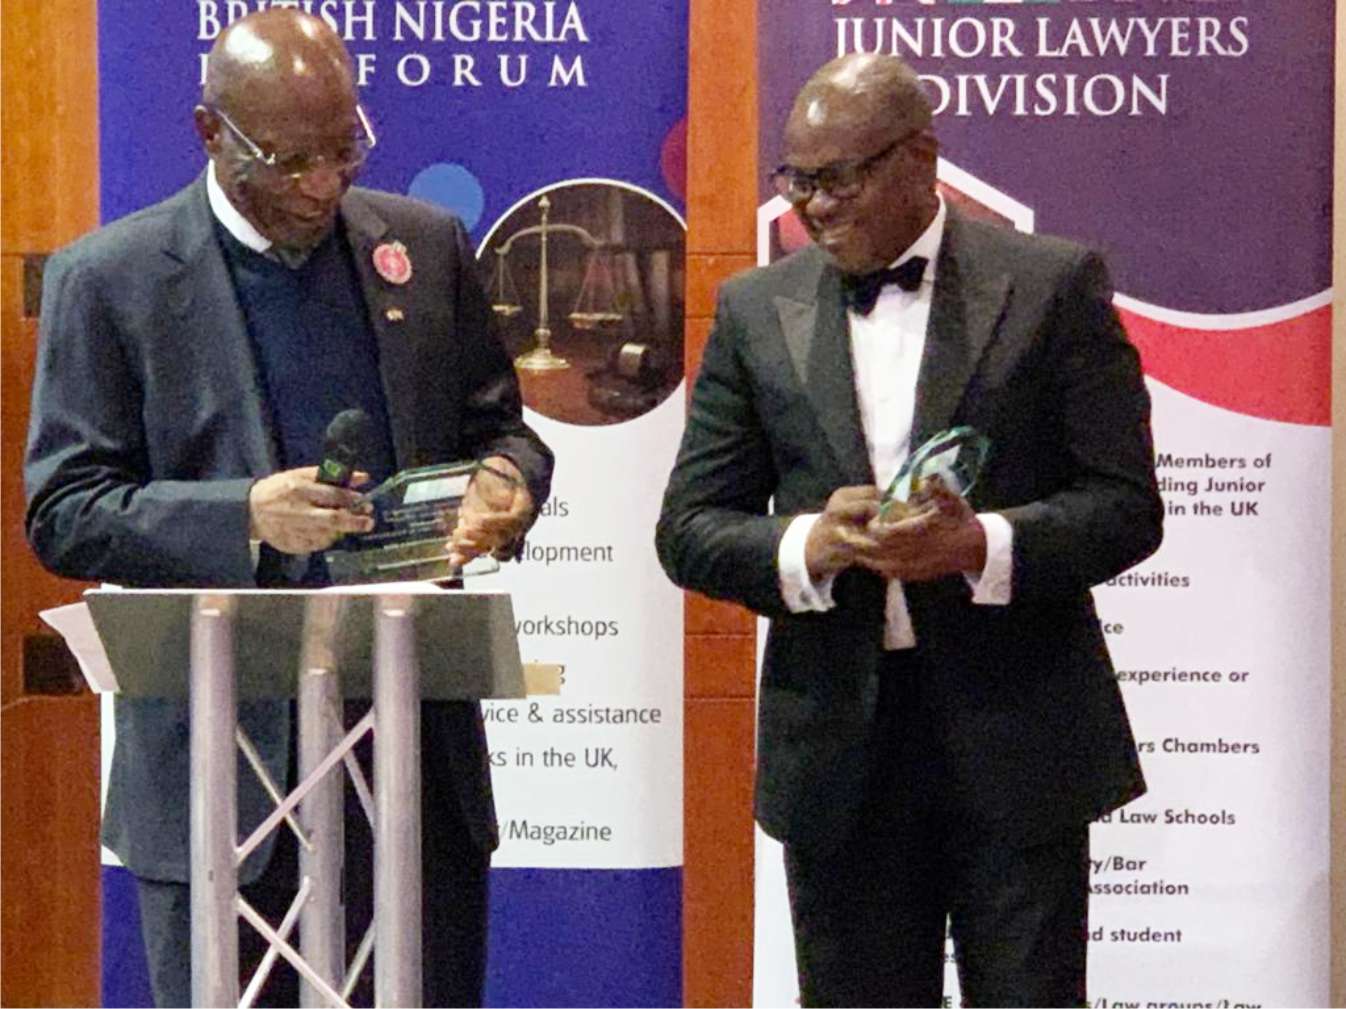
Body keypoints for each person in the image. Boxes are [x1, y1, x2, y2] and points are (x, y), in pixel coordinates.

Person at [24, 9, 552, 1006]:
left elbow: (502, 431)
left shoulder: (424, 245)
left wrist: (507, 485)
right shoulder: (110, 279)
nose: (323, 183)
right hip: (216, 777)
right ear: (209, 132)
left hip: (410, 767)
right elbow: (66, 509)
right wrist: (242, 516)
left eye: (344, 148)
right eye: (289, 159)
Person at [657, 52, 1161, 1008]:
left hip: (1021, 738)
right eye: (797, 179)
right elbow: (688, 528)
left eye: (839, 179)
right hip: (837, 754)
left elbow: (1126, 505)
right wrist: (809, 543)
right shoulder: (755, 309)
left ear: (920, 159)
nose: (813, 205)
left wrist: (980, 546)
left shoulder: (1052, 285)